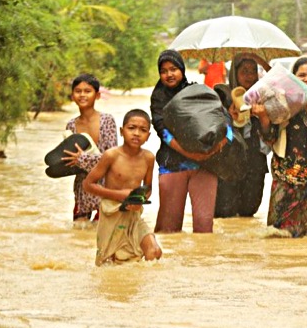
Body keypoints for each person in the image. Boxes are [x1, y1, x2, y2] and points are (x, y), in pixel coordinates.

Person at [149, 49, 225, 234]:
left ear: (182, 69)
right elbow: (162, 132)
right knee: (168, 229)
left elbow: (221, 118)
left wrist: (221, 143)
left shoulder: (197, 92)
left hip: (206, 164)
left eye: (173, 69)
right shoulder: (158, 98)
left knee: (204, 226)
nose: (169, 74)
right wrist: (190, 154)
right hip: (173, 163)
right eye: (164, 70)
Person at [259, 57, 307, 237]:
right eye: (302, 75)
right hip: (284, 178)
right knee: (276, 234)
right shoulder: (280, 103)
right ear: (293, 78)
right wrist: (264, 118)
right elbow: (269, 139)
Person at [83, 109, 163, 265]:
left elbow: (148, 189)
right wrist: (119, 195)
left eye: (143, 130)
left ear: (148, 136)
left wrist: (139, 200)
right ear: (121, 131)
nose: (137, 133)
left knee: (154, 251)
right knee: (109, 262)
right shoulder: (111, 156)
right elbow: (88, 184)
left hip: (134, 214)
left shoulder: (148, 158)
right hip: (112, 213)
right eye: (131, 128)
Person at [215, 52, 271, 218]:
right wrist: (228, 117)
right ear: (234, 73)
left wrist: (262, 117)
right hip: (228, 163)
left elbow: (270, 136)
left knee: (249, 210)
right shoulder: (221, 95)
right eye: (244, 71)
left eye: (253, 71)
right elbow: (212, 130)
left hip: (255, 162)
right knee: (225, 212)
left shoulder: (263, 97)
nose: (249, 75)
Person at [61, 74, 117, 223]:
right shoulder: (71, 125)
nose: (82, 95)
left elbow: (112, 157)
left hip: (105, 187)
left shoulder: (107, 121)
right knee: (79, 235)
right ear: (72, 96)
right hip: (82, 188)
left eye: (87, 91)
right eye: (78, 91)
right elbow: (70, 159)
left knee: (100, 235)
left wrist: (81, 159)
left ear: (97, 95)